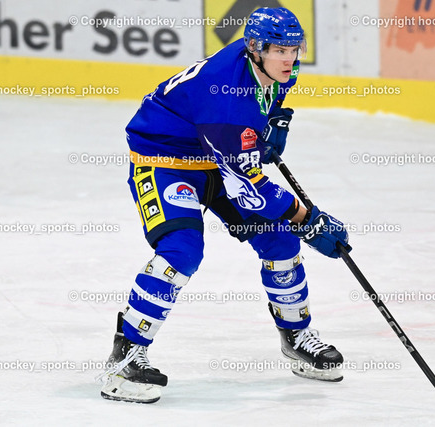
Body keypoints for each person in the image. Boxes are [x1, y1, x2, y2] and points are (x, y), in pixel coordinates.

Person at [98, 7, 350, 403]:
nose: (290, 58)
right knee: (182, 250)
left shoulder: (273, 65)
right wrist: (310, 220)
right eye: (279, 50)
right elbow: (250, 188)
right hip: (166, 160)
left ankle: (295, 335)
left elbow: (275, 96)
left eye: (294, 49)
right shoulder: (226, 103)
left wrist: (276, 123)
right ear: (255, 48)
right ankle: (124, 356)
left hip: (216, 152)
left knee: (281, 243)